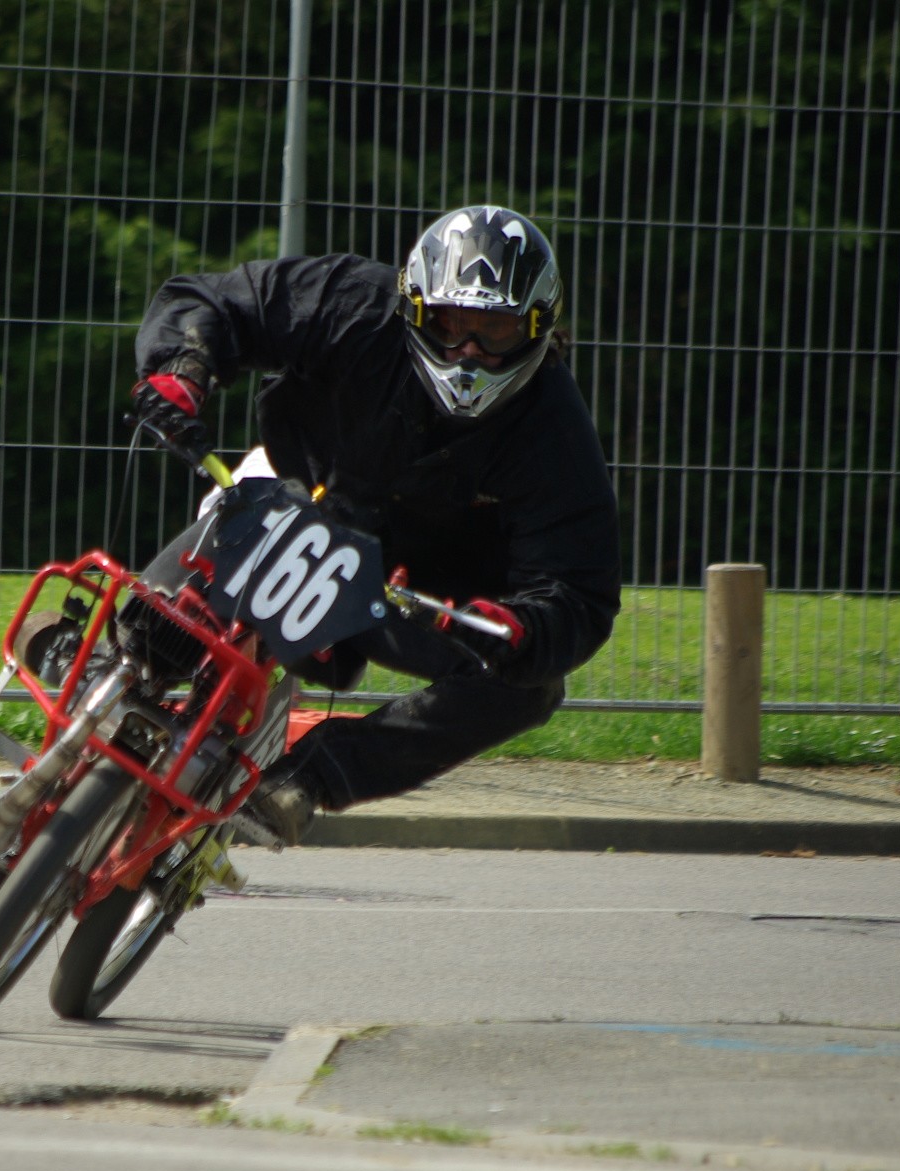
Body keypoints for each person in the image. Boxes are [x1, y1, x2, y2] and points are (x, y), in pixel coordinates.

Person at [128, 204, 621, 845]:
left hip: (412, 602)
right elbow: (214, 300)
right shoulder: (352, 301)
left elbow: (579, 593)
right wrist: (182, 369)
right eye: (449, 322)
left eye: (494, 329)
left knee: (533, 688)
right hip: (293, 503)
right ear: (411, 307)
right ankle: (106, 673)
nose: (467, 350)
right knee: (144, 633)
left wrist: (517, 628)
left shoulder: (555, 430)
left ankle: (310, 777)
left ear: (539, 331)